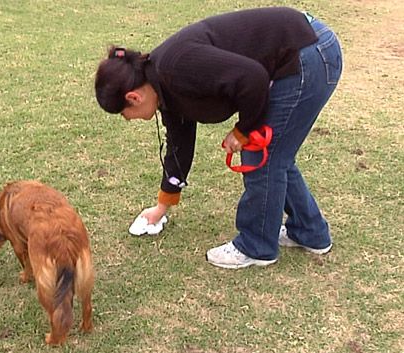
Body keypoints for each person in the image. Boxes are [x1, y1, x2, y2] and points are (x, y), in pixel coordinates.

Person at [94, 7, 342, 269]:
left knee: (261, 154)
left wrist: (243, 131)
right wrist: (162, 206)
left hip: (308, 52)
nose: (129, 120)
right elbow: (179, 146)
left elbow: (253, 79)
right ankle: (309, 231)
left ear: (134, 97)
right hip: (304, 48)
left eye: (124, 114)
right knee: (276, 155)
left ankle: (257, 246)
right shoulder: (163, 86)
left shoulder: (177, 67)